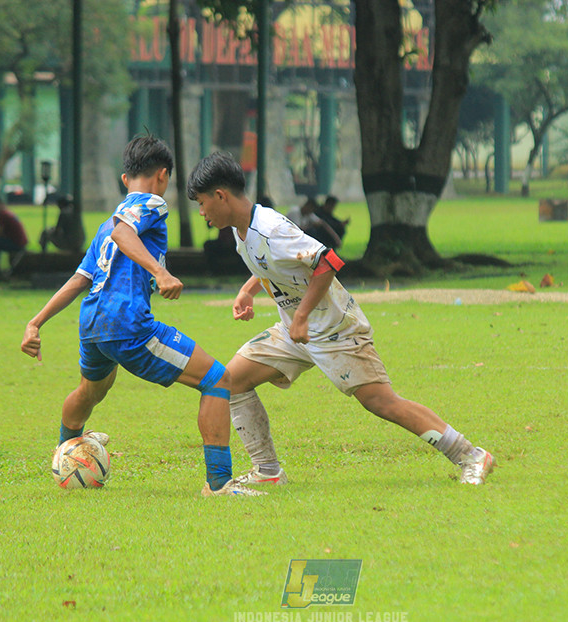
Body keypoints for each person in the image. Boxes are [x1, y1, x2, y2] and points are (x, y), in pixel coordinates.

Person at [186, 152, 495, 486]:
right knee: (230, 380)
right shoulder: (242, 230)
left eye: (202, 203)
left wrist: (301, 316)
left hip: (335, 330)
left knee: (382, 403)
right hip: (294, 332)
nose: (202, 213)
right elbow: (278, 264)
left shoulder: (271, 228)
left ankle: (471, 455)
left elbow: (326, 261)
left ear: (221, 196)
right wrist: (249, 290)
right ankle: (268, 472)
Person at [20, 135, 263, 498]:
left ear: (123, 179)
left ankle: (66, 451)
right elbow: (124, 233)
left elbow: (79, 279)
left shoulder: (105, 224)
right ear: (163, 176)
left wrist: (36, 322)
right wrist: (160, 273)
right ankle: (219, 484)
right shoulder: (150, 204)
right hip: (126, 322)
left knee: (92, 389)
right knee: (218, 380)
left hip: (92, 324)